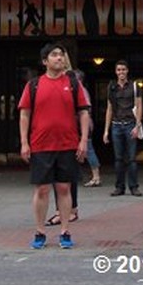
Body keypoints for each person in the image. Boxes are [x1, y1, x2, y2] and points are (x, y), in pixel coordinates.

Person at [18, 41, 90, 250]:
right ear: (45, 61)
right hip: (40, 145)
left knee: (64, 187)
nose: (59, 58)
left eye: (61, 54)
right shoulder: (34, 85)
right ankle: (40, 231)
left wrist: (83, 140)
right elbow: (24, 114)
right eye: (54, 55)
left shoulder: (73, 83)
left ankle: (64, 230)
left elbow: (84, 112)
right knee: (42, 189)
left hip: (68, 144)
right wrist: (24, 142)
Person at [44, 69, 101, 226]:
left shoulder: (77, 89)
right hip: (58, 136)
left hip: (72, 135)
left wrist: (83, 138)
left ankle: (70, 210)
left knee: (68, 176)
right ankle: (61, 211)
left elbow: (84, 112)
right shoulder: (53, 87)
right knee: (60, 177)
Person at [103, 60, 143, 196]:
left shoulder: (134, 86)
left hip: (130, 124)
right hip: (116, 125)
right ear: (115, 71)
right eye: (119, 70)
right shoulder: (111, 87)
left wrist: (138, 125)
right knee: (119, 158)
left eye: (123, 70)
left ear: (127, 71)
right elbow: (109, 109)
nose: (121, 72)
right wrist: (106, 130)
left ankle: (133, 186)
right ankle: (119, 187)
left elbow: (139, 106)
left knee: (132, 158)